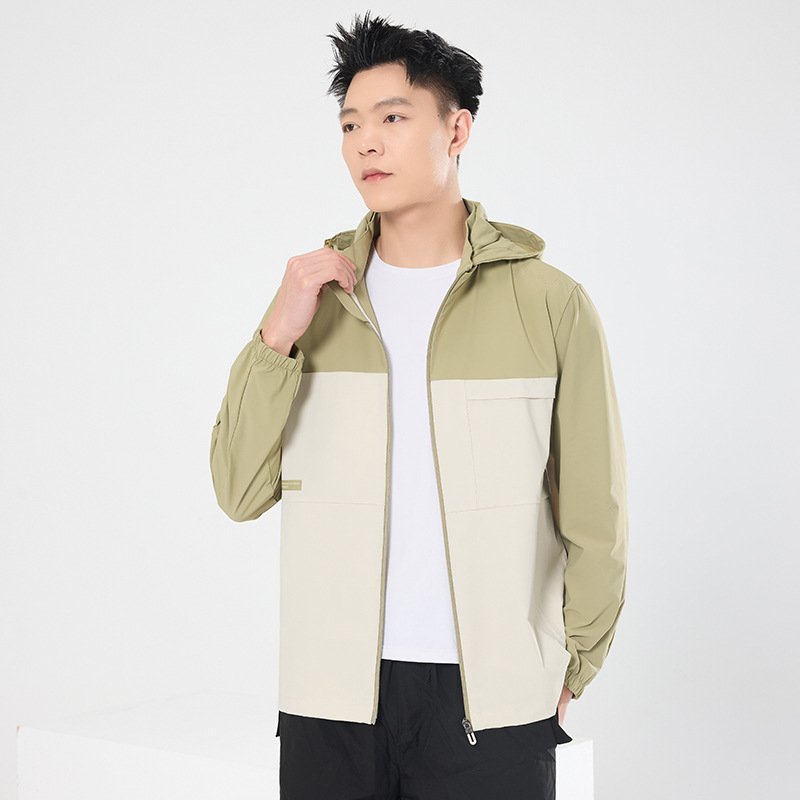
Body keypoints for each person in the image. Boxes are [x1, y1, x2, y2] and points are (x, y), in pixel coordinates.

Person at [210, 10, 628, 800]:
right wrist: (276, 338)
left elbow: (594, 511)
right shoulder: (312, 301)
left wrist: (575, 662)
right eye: (350, 124)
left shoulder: (550, 303)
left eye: (393, 118)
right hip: (329, 700)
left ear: (456, 129)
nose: (365, 143)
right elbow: (238, 490)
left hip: (492, 698)